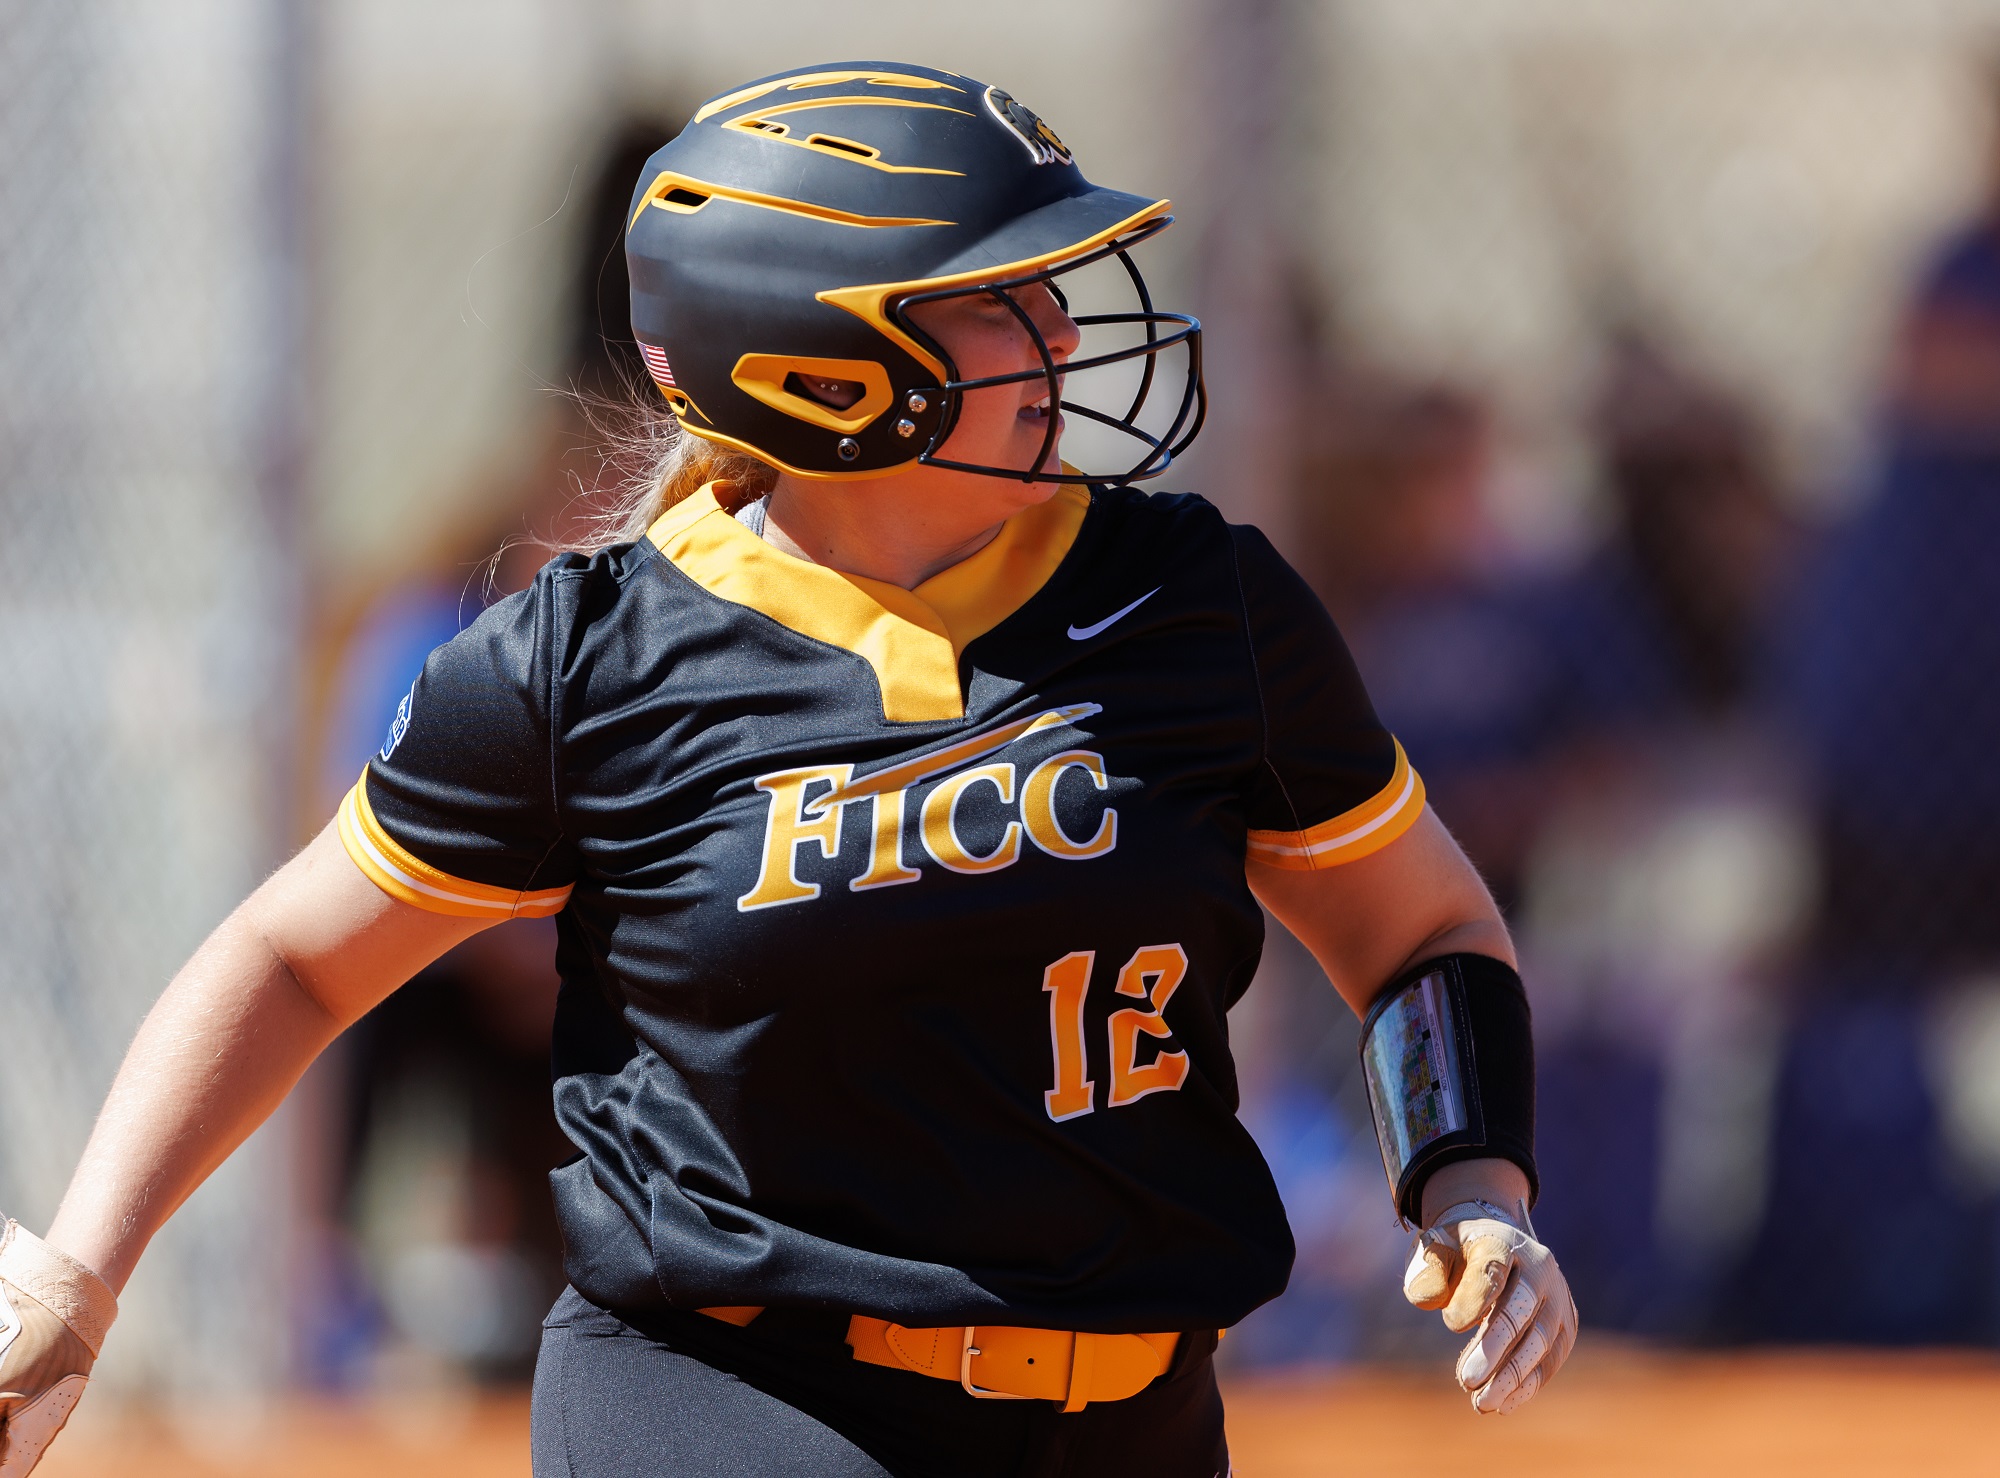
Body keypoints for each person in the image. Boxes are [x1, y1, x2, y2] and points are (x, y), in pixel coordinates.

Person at [0, 62, 1575, 1478]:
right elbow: (291, 953)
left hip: (1134, 1414)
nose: (1067, 333)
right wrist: (81, 1270)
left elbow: (1421, 930)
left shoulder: (1197, 603)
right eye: (999, 298)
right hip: (735, 1398)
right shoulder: (597, 658)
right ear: (825, 375)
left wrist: (1473, 1183)